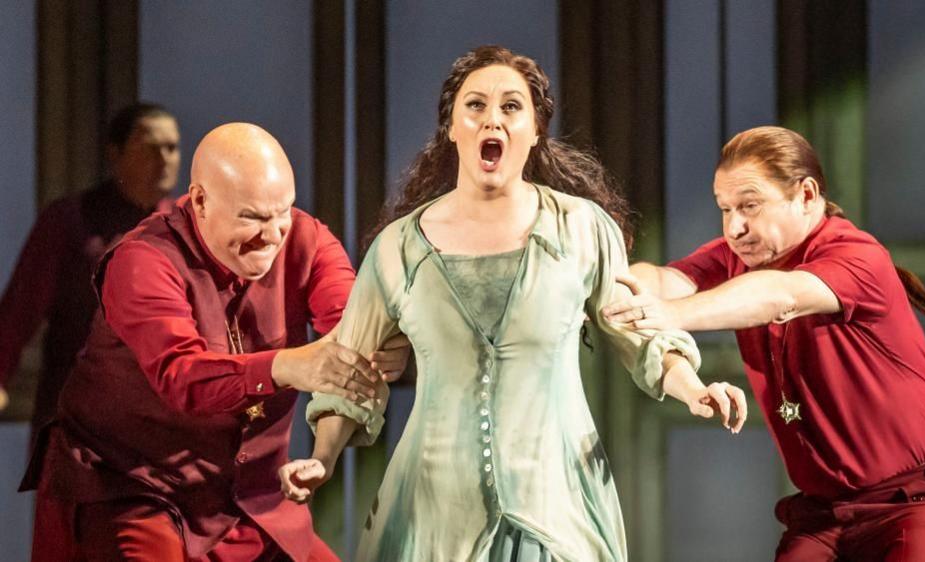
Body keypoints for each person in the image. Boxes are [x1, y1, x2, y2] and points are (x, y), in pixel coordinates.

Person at [278, 45, 747, 562]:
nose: (491, 120)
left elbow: (639, 332)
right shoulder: (400, 248)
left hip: (555, 502)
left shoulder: (581, 229)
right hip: (433, 512)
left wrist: (695, 389)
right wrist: (321, 458)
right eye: (475, 106)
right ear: (451, 128)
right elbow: (350, 372)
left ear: (536, 128)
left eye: (510, 107)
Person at [21, 123, 410, 562]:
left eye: (282, 211)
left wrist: (377, 347)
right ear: (200, 201)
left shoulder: (306, 238)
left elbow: (352, 324)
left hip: (251, 499)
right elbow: (181, 376)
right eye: (251, 217)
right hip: (135, 487)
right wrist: (289, 365)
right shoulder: (143, 258)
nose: (272, 235)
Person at [604, 126, 925, 561]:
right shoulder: (738, 254)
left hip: (918, 503)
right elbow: (668, 280)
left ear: (806, 195)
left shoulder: (858, 256)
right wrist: (614, 282)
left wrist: (672, 314)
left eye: (749, 205)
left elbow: (779, 294)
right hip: (824, 517)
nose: (735, 227)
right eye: (724, 209)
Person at [0, 102, 179, 440]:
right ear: (116, 154)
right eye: (149, 147)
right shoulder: (71, 220)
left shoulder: (186, 226)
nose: (164, 159)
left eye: (171, 148)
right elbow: (20, 307)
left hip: (158, 425)